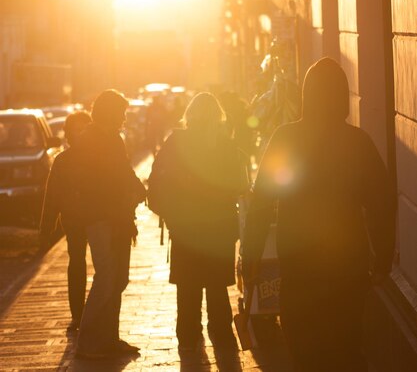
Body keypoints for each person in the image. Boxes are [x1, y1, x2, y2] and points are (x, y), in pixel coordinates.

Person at [242, 58, 395, 372]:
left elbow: (260, 205)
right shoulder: (357, 143)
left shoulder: (286, 139)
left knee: (305, 352)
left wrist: (251, 263)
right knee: (347, 350)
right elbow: (382, 203)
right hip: (348, 267)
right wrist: (381, 261)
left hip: (300, 268)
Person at [147, 92, 248, 352]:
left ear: (190, 115)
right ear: (218, 116)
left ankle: (189, 334)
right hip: (218, 227)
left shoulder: (176, 142)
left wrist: (168, 215)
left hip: (185, 227)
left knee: (188, 285)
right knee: (216, 285)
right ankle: (221, 331)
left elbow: (156, 180)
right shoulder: (225, 144)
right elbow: (239, 184)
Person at [74, 89, 147, 360]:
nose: (124, 119)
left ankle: (109, 338)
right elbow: (94, 181)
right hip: (100, 217)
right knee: (106, 277)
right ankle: (87, 342)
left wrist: (139, 189)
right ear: (109, 112)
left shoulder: (114, 139)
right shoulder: (89, 140)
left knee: (118, 278)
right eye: (121, 113)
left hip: (118, 217)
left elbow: (124, 171)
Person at [39, 110, 92, 331]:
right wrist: (46, 228)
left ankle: (95, 313)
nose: (79, 135)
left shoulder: (99, 158)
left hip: (99, 217)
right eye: (75, 130)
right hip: (75, 220)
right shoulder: (62, 161)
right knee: (77, 262)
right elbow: (52, 196)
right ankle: (78, 314)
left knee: (103, 267)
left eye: (83, 130)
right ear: (68, 135)